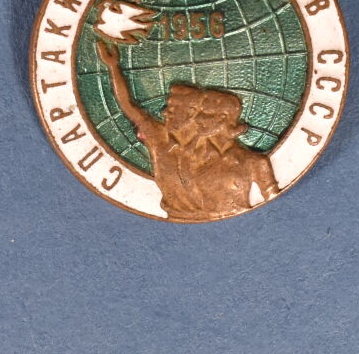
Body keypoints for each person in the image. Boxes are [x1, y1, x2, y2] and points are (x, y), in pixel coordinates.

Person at [94, 36, 278, 221]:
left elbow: (274, 210)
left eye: (173, 109)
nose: (164, 113)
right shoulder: (161, 141)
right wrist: (113, 67)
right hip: (172, 225)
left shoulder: (253, 162)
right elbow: (129, 106)